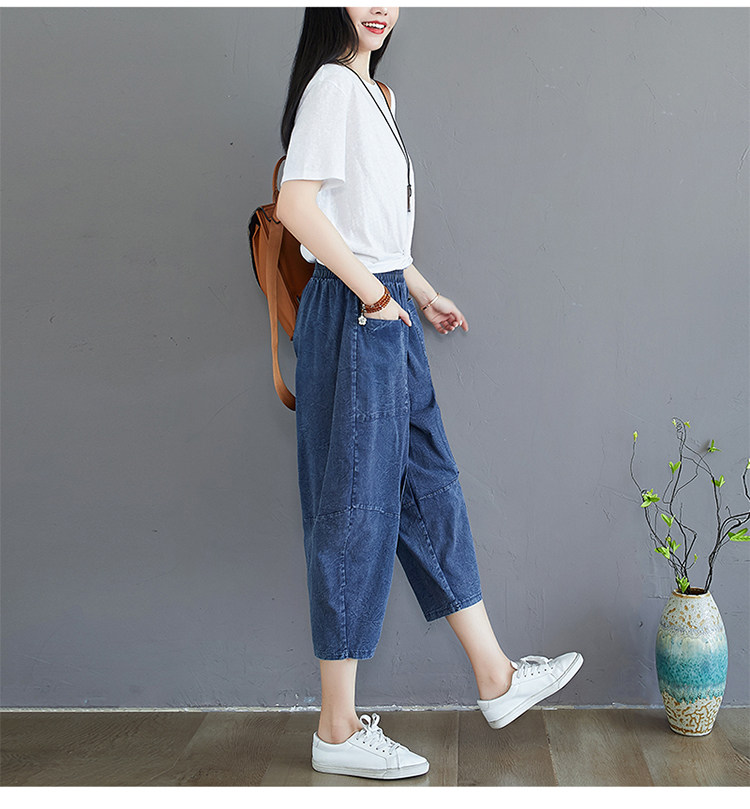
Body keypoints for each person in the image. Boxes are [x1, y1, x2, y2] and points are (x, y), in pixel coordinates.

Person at [275, 7, 582, 781]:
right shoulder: (331, 88)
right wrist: (376, 298)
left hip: (385, 308)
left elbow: (369, 225)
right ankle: (337, 728)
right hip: (356, 314)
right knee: (355, 511)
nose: (379, 6)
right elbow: (297, 208)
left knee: (428, 491)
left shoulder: (378, 97)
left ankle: (495, 675)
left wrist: (418, 290)